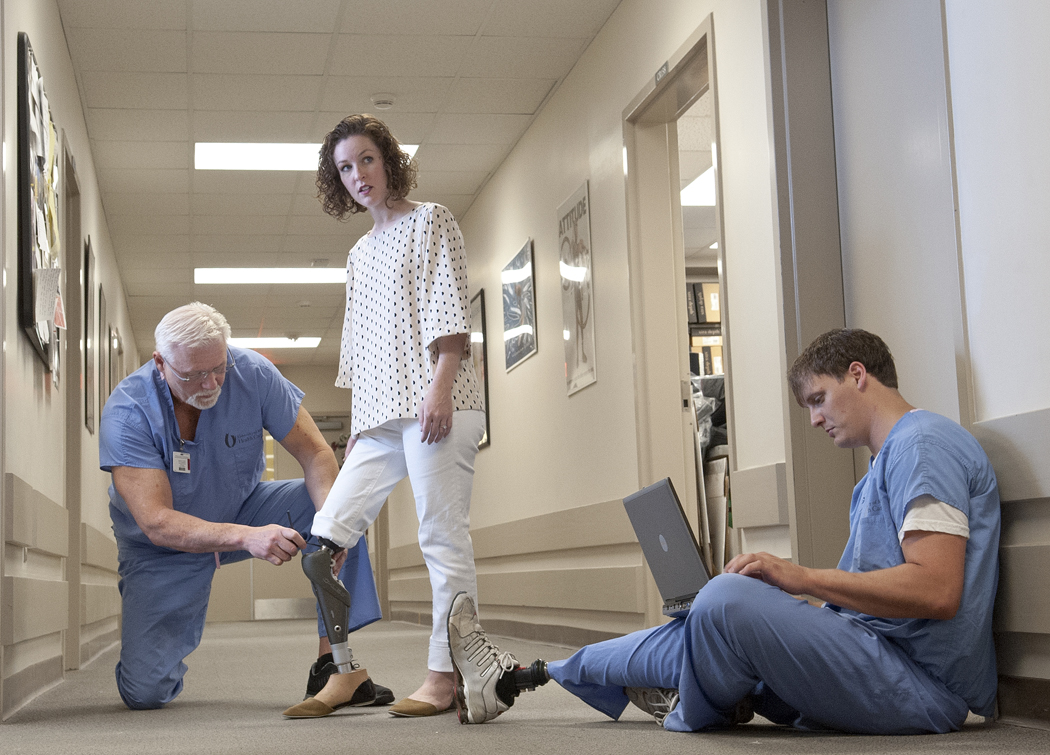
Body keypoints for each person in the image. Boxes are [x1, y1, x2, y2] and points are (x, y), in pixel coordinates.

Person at [448, 328, 1000, 734]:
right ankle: (514, 679)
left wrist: (801, 579)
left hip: (918, 686)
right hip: (864, 657)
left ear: (858, 375)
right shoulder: (881, 469)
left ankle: (700, 693)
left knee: (724, 602)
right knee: (703, 617)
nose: (813, 419)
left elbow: (937, 590)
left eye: (818, 399)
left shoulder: (924, 444)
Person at [286, 114, 487, 719]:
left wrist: (441, 388)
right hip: (379, 417)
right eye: (345, 168)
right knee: (324, 543)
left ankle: (445, 675)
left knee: (440, 538)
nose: (357, 176)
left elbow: (447, 311)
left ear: (388, 161)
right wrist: (356, 435)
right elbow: (363, 347)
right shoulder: (359, 251)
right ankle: (344, 671)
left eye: (366, 160)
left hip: (436, 402)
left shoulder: (431, 221)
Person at [99, 302, 391, 710]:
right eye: (193, 374)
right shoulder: (128, 412)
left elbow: (318, 456)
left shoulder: (251, 373)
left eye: (217, 368)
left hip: (243, 508)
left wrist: (332, 532)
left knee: (337, 507)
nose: (209, 384)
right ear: (160, 363)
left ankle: (333, 665)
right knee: (144, 693)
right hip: (162, 549)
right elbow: (157, 522)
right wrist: (247, 538)